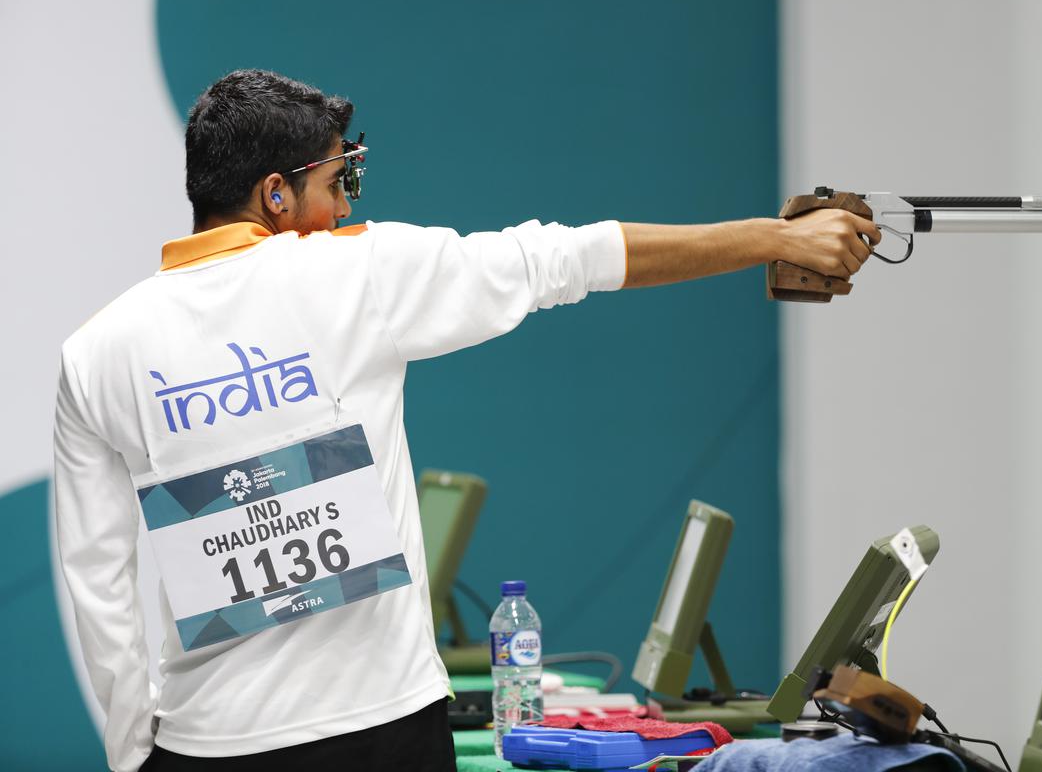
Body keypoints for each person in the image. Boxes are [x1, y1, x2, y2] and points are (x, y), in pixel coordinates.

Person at [53, 68, 879, 772]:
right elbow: (569, 257)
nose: (344, 210)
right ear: (275, 194)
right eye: (338, 184)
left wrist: (135, 754)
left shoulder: (93, 354)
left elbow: (99, 586)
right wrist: (778, 238)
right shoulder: (357, 273)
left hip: (207, 742)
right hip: (384, 728)